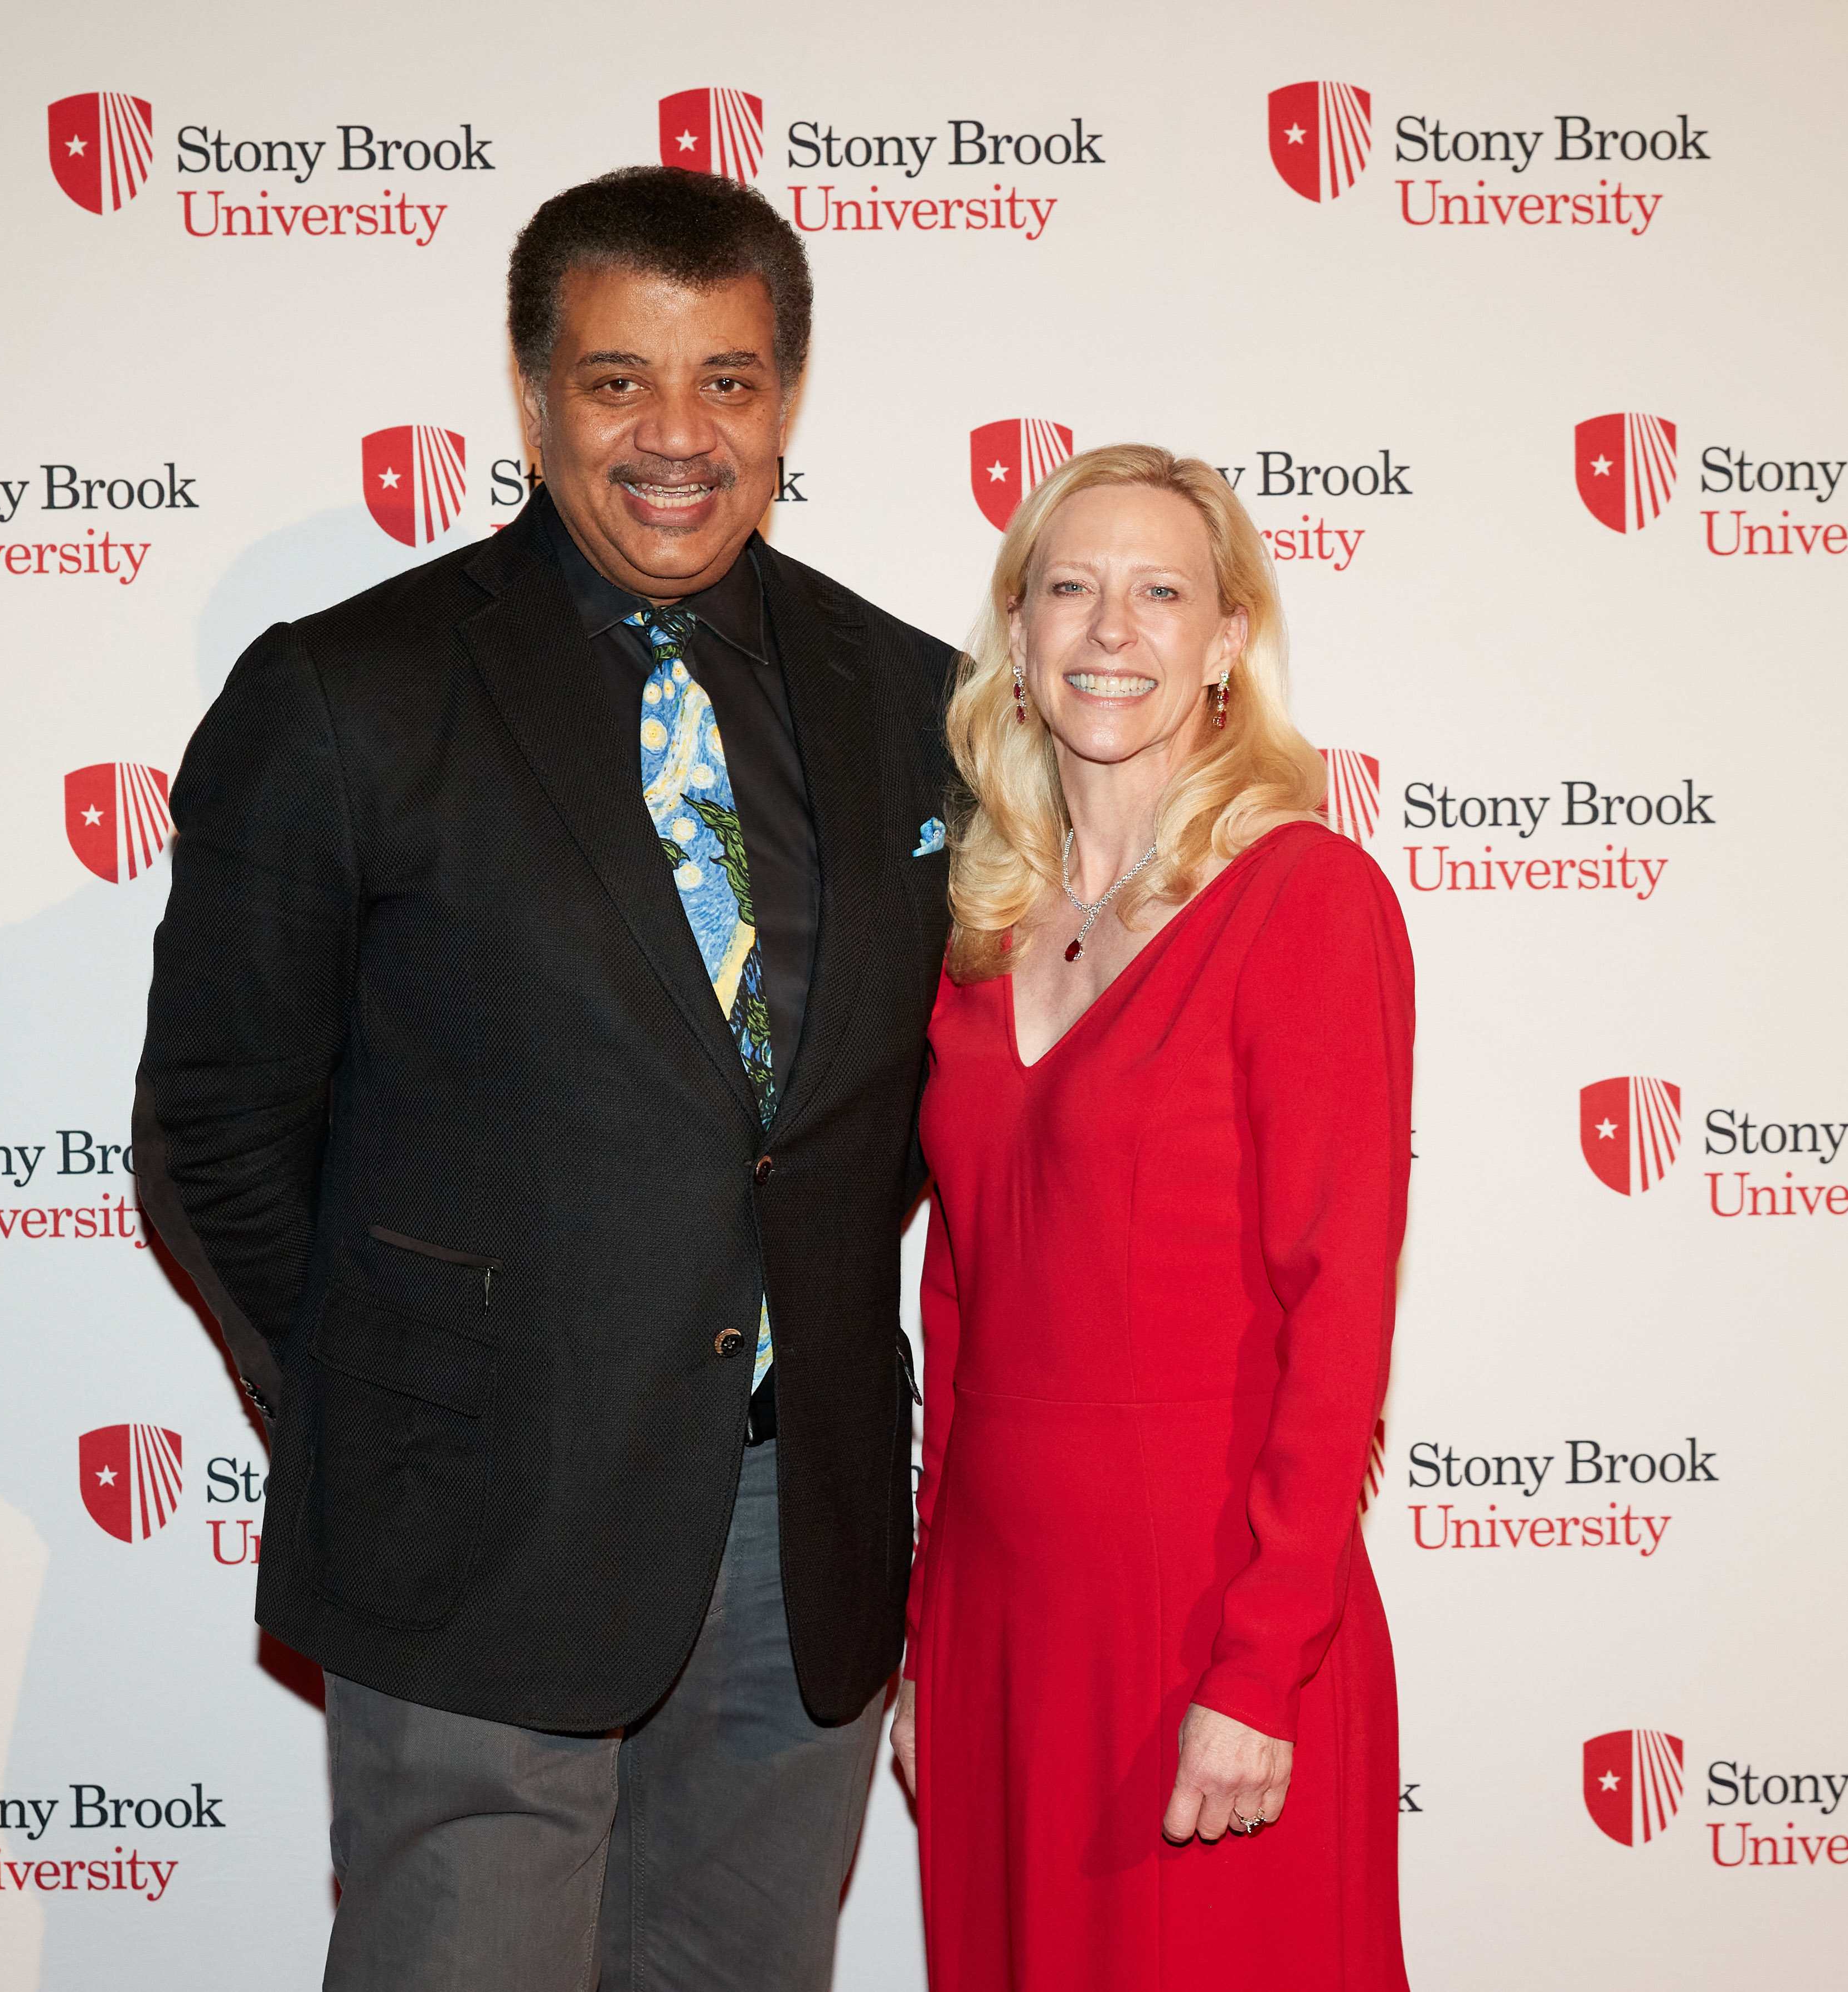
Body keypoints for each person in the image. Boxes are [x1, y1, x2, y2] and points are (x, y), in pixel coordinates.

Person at [134, 167, 956, 1990]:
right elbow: (215, 1125)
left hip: (794, 1528)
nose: (677, 437)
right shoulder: (346, 693)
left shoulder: (911, 698)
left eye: (728, 383)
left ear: (786, 399)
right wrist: (394, 1399)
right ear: (531, 394)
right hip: (471, 1520)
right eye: (616, 382)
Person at [891, 446, 1414, 1990]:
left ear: (1225, 643)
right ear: (1019, 635)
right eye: (1069, 589)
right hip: (999, 1627)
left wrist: (1260, 1665)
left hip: (1206, 1614)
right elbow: (957, 1304)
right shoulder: (979, 931)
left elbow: (1340, 1321)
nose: (1108, 630)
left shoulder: (1302, 902)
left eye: (1157, 593)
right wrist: (927, 1627)